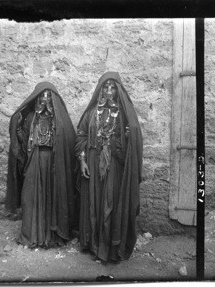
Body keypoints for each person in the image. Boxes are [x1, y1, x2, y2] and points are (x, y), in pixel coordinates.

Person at [75, 71, 143, 262]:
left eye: (113, 88)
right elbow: (80, 136)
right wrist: (82, 160)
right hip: (93, 163)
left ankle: (110, 249)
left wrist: (129, 137)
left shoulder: (123, 116)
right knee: (94, 203)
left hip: (114, 165)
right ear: (100, 89)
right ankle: (93, 246)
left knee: (110, 204)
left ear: (118, 90)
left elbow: (132, 141)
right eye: (106, 87)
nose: (109, 91)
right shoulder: (90, 113)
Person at [6, 82, 77, 249]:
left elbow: (68, 140)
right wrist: (17, 128)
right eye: (42, 96)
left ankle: (52, 237)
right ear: (37, 98)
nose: (45, 100)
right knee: (30, 195)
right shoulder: (31, 118)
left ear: (53, 99)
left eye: (48, 96)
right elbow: (23, 141)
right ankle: (31, 235)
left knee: (52, 196)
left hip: (54, 162)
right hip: (35, 160)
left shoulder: (59, 120)